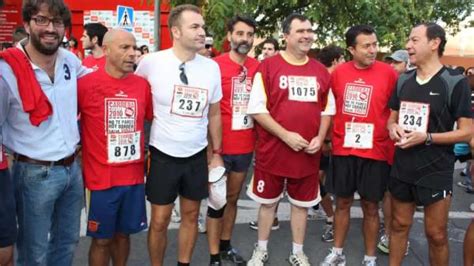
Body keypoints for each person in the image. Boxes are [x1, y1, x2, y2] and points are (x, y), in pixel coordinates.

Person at [0, 0, 90, 265]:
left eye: (58, 22)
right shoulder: (6, 71)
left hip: (72, 169)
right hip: (33, 174)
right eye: (42, 20)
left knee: (67, 243)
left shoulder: (69, 60)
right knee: (33, 252)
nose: (51, 28)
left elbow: (95, 84)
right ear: (27, 24)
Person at [135, 4, 223, 266]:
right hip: (162, 154)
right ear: (175, 31)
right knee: (160, 219)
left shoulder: (211, 68)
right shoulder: (151, 62)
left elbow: (215, 114)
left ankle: (183, 263)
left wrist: (216, 154)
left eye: (202, 27)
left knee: (191, 214)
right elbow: (136, 98)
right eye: (194, 27)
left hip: (196, 154)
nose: (201, 32)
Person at [246, 13, 331, 266]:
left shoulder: (319, 71)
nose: (307, 35)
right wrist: (285, 135)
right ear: (286, 36)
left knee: (301, 206)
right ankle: (260, 250)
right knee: (268, 204)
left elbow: (327, 109)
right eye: (300, 31)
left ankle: (298, 251)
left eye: (309, 30)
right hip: (273, 151)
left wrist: (319, 136)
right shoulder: (268, 67)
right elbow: (257, 109)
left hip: (307, 154)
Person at [387, 22, 472, 266]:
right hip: (403, 166)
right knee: (399, 225)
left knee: (436, 235)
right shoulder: (403, 80)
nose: (408, 45)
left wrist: (428, 137)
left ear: (434, 43)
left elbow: (466, 133)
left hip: (435, 168)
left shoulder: (455, 82)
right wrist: (392, 128)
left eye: (414, 40)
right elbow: (390, 119)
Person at [320, 25, 398, 266]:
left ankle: (369, 257)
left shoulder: (389, 73)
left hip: (376, 150)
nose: (373, 50)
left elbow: (396, 110)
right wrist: (327, 139)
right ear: (351, 49)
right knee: (341, 202)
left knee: (370, 206)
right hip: (344, 149)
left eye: (375, 44)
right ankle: (337, 253)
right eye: (366, 46)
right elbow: (328, 108)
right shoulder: (338, 74)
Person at [78, 29, 152, 266]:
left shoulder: (142, 85)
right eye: (125, 48)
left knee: (123, 235)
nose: (132, 54)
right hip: (100, 180)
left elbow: (149, 120)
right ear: (107, 50)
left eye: (134, 48)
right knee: (101, 240)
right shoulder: (85, 84)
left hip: (132, 178)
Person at [208, 15, 259, 266]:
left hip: (245, 145)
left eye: (250, 35)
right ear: (229, 36)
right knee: (216, 200)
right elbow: (207, 110)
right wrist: (211, 149)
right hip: (218, 146)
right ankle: (213, 255)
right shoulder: (214, 66)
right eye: (240, 34)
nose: (245, 39)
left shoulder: (257, 67)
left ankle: (226, 245)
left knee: (232, 198)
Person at [314, 44, 346, 242]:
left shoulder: (331, 77)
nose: (345, 63)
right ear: (335, 60)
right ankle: (332, 217)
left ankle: (332, 217)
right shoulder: (327, 79)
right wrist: (326, 139)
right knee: (317, 180)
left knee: (323, 180)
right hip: (324, 139)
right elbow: (324, 112)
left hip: (329, 139)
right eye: (342, 59)